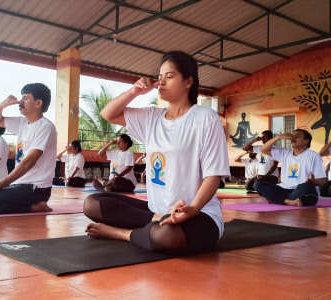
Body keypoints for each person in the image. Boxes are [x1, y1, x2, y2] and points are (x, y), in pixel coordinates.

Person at [83, 51, 230, 255]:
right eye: (159, 77)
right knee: (92, 204)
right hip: (156, 213)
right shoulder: (152, 117)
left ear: (188, 81)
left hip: (199, 214)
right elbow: (108, 113)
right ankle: (149, 228)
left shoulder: (206, 118)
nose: (161, 82)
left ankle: (122, 234)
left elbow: (213, 177)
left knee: (165, 236)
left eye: (169, 77)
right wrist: (134, 91)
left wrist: (193, 209)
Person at [0, 83, 56, 214]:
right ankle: (30, 205)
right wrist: (4, 104)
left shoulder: (45, 126)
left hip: (36, 188)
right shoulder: (22, 123)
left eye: (25, 98)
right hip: (19, 185)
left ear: (38, 103)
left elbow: (29, 162)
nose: (20, 101)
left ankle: (35, 206)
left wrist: (0, 184)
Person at [255, 129, 327, 206]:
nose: (293, 138)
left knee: (307, 186)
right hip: (283, 189)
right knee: (259, 184)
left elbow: (322, 181)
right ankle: (288, 201)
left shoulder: (314, 156)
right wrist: (278, 137)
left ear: (306, 141)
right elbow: (264, 150)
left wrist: (312, 181)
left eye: (297, 136)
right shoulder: (285, 153)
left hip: (299, 190)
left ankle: (277, 199)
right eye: (292, 135)